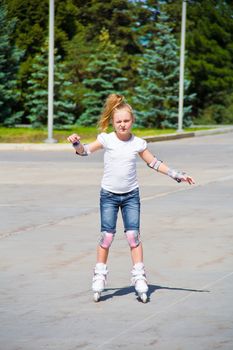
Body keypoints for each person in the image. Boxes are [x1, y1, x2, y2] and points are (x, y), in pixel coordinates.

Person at [67, 94, 195, 302]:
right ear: (113, 122)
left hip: (130, 196)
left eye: (126, 121)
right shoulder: (106, 139)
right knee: (107, 236)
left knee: (133, 236)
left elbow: (154, 163)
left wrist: (177, 174)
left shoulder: (138, 143)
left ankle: (139, 276)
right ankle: (100, 274)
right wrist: (76, 144)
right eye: (119, 121)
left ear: (132, 121)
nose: (123, 125)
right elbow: (85, 152)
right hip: (108, 195)